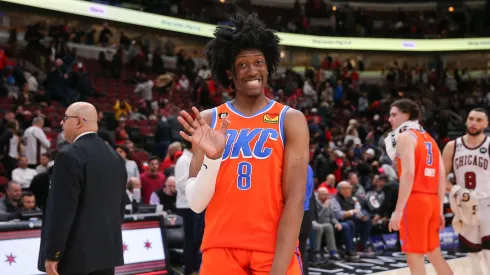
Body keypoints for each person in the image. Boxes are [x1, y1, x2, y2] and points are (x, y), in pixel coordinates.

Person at [177, 13, 309, 275]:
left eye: (259, 62)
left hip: (273, 248)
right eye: (243, 64)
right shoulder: (208, 119)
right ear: (230, 72)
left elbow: (295, 199)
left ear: (268, 67)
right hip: (220, 247)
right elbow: (195, 203)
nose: (253, 70)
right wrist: (213, 159)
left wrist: (279, 268)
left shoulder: (289, 119)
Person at [38, 102, 127, 275]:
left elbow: (61, 211)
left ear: (79, 122)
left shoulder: (68, 155)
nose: (62, 123)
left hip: (75, 257)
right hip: (106, 254)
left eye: (65, 118)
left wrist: (53, 253)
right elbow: (120, 207)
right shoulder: (115, 157)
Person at [385, 99, 452, 275]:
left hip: (414, 200)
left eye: (394, 115)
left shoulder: (405, 136)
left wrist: (398, 211)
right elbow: (441, 176)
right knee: (436, 256)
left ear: (406, 115)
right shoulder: (430, 138)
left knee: (415, 260)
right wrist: (439, 210)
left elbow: (408, 174)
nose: (389, 119)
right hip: (431, 201)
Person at [442, 107, 490, 274]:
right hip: (465, 204)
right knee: (472, 253)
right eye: (471, 118)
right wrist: (454, 190)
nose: (473, 123)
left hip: (487, 204)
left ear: (486, 123)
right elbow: (441, 177)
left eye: (478, 120)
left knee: (489, 252)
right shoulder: (452, 146)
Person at [175, 138, 204, 275]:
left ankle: (196, 268)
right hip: (186, 206)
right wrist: (197, 184)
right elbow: (180, 185)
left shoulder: (195, 158)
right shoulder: (183, 160)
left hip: (197, 204)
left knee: (197, 239)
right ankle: (189, 270)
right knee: (190, 240)